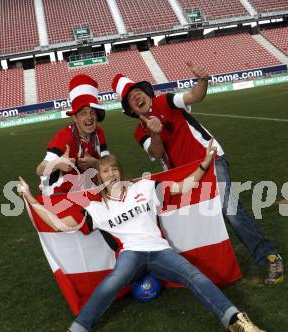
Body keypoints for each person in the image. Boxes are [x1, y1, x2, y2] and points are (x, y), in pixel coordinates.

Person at [18, 143, 268, 332]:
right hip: (131, 255)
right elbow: (59, 225)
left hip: (160, 251)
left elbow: (182, 187)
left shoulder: (145, 187)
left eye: (114, 168)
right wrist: (30, 197)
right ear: (99, 178)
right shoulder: (97, 208)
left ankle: (235, 321)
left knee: (195, 275)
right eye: (105, 171)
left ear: (121, 171)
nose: (111, 173)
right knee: (112, 282)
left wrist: (204, 163)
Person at [111, 64, 284, 285]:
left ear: (147, 94)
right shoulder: (139, 132)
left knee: (228, 208)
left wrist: (203, 80)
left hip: (211, 159)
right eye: (131, 99)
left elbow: (194, 96)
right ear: (131, 110)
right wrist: (155, 133)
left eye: (138, 93)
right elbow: (156, 152)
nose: (137, 98)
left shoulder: (165, 100)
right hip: (184, 178)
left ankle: (269, 256)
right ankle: (208, 271)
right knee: (189, 221)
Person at [36, 74, 109, 195]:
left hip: (82, 188)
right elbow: (40, 169)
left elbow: (109, 163)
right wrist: (58, 164)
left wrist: (95, 163)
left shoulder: (99, 133)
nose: (89, 117)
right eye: (83, 113)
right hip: (57, 193)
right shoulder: (65, 137)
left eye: (92, 112)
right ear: (74, 117)